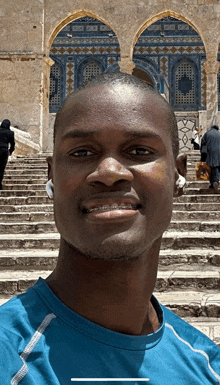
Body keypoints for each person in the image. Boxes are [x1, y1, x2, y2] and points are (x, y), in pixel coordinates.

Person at [0, 73, 219, 384]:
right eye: (82, 153)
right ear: (51, 175)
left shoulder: (206, 366)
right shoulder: (9, 356)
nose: (109, 172)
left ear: (177, 175)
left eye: (140, 151)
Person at [200, 124, 220, 191]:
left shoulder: (207, 134)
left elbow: (203, 144)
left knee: (211, 168)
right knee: (216, 168)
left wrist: (202, 157)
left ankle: (214, 182)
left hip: (210, 154)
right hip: (218, 154)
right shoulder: (219, 134)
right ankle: (214, 182)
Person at [0, 119, 15, 190]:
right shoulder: (10, 133)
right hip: (4, 151)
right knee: (1, 168)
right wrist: (10, 151)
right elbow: (12, 144)